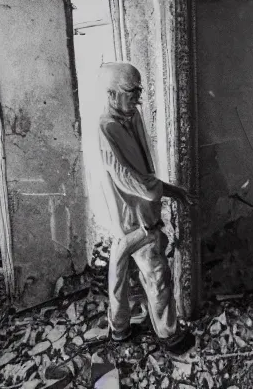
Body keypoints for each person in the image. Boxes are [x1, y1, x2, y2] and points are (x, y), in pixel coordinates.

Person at [97, 61, 195, 353]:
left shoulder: (132, 114)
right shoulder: (107, 128)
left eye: (139, 89)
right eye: (131, 90)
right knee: (157, 277)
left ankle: (120, 328)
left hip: (134, 218)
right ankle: (169, 335)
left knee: (119, 273)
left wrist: (163, 191)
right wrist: (171, 191)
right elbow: (131, 181)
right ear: (111, 94)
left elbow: (143, 171)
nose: (138, 96)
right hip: (133, 219)